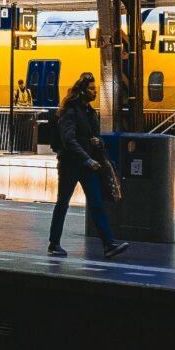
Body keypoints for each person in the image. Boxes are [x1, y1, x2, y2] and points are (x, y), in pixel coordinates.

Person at [48, 75, 127, 260]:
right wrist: (87, 159)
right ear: (82, 91)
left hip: (87, 165)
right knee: (63, 203)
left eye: (95, 89)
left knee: (96, 202)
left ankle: (108, 244)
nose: (95, 92)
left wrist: (99, 142)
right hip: (70, 165)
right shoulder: (70, 112)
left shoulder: (91, 112)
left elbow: (95, 137)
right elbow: (68, 140)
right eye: (91, 89)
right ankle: (54, 243)